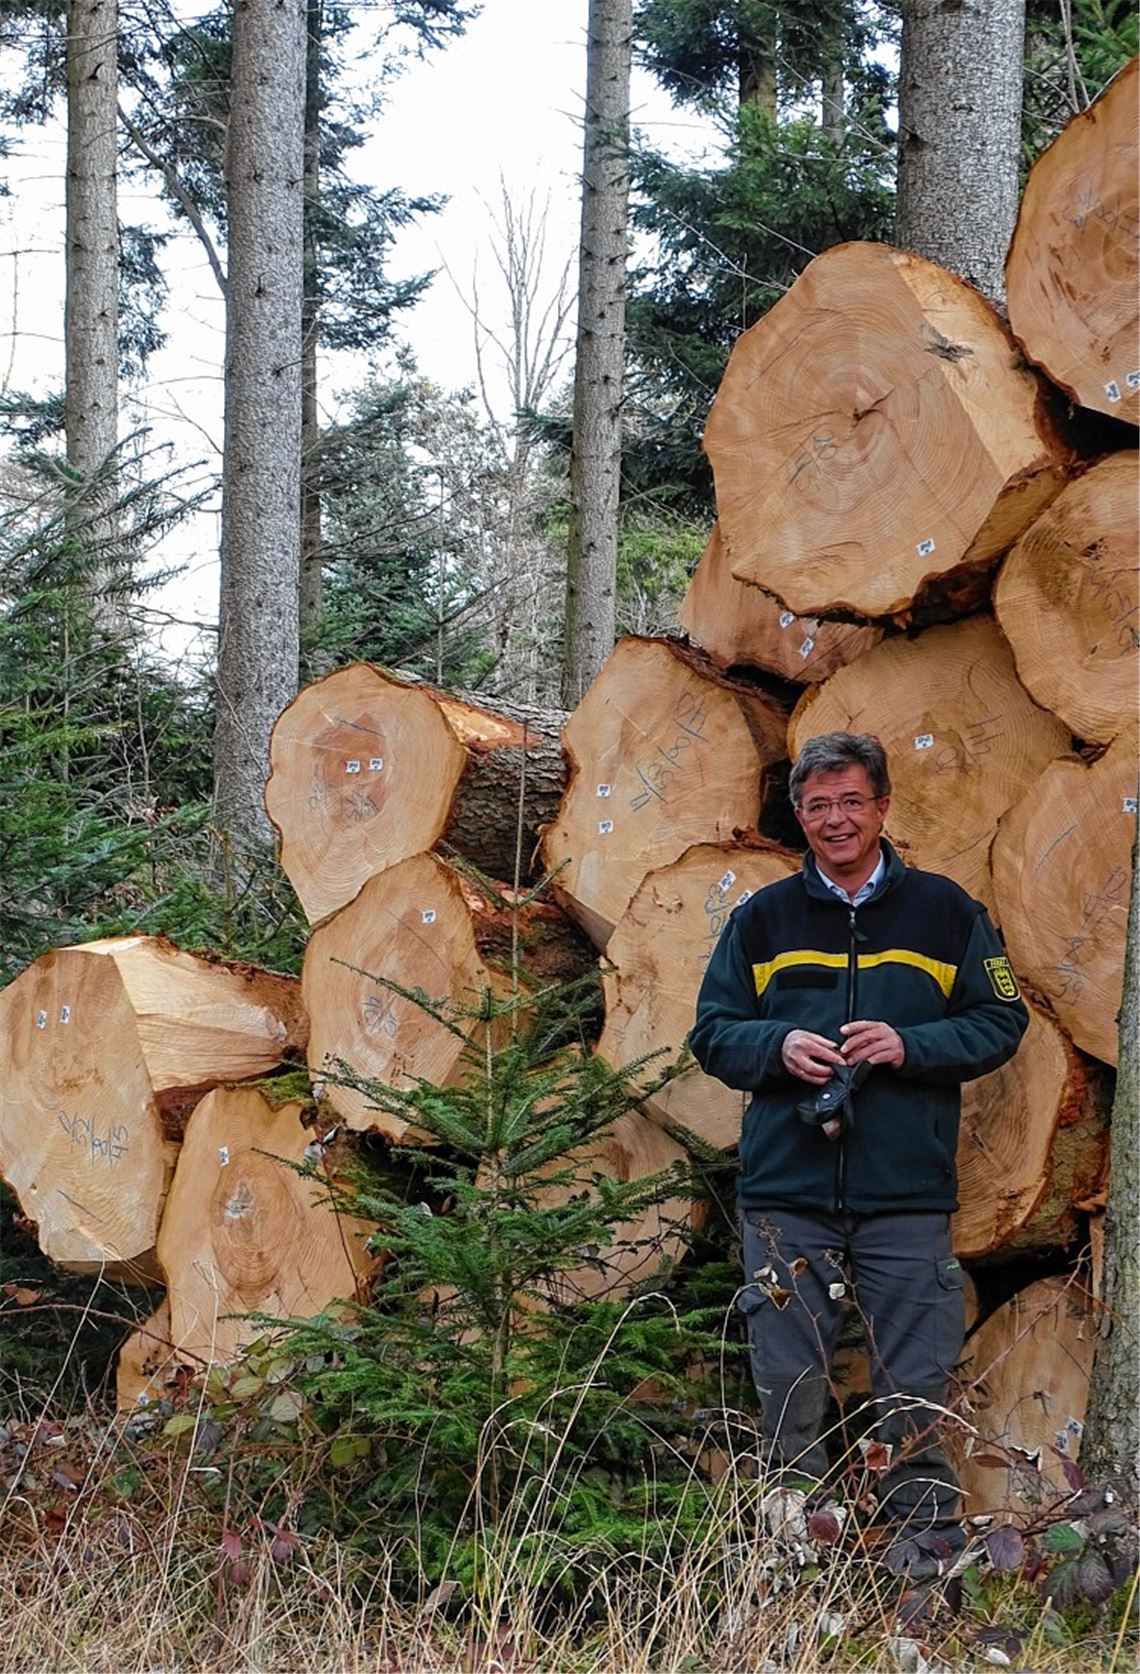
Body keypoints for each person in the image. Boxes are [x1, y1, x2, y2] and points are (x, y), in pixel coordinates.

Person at [689, 730, 1028, 1574]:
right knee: (789, 1398)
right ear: (798, 816)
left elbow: (1001, 1020)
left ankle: (922, 1578)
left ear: (882, 807)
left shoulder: (947, 913)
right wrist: (777, 1047)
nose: (835, 819)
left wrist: (911, 1045)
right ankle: (792, 1578)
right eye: (817, 806)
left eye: (850, 802)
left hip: (905, 1198)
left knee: (913, 1397)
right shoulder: (761, 919)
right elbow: (712, 1032)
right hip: (786, 1199)